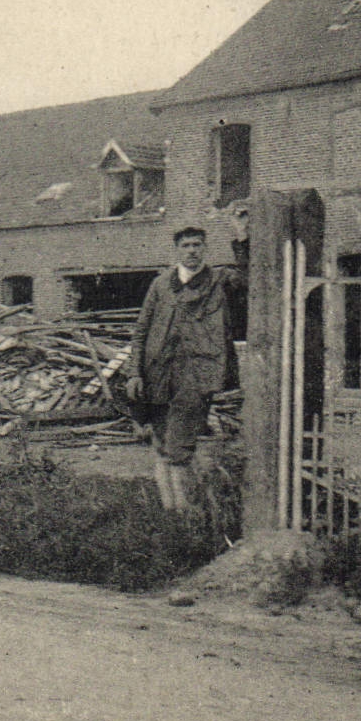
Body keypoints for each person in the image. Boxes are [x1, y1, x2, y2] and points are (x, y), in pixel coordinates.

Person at [124, 207, 249, 510]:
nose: (192, 251)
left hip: (196, 376)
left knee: (179, 448)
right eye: (186, 245)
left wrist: (241, 236)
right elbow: (141, 331)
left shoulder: (219, 280)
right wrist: (134, 373)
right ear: (177, 250)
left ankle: (184, 516)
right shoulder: (161, 284)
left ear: (206, 248)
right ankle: (173, 514)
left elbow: (250, 277)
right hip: (157, 376)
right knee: (162, 446)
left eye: (197, 245)